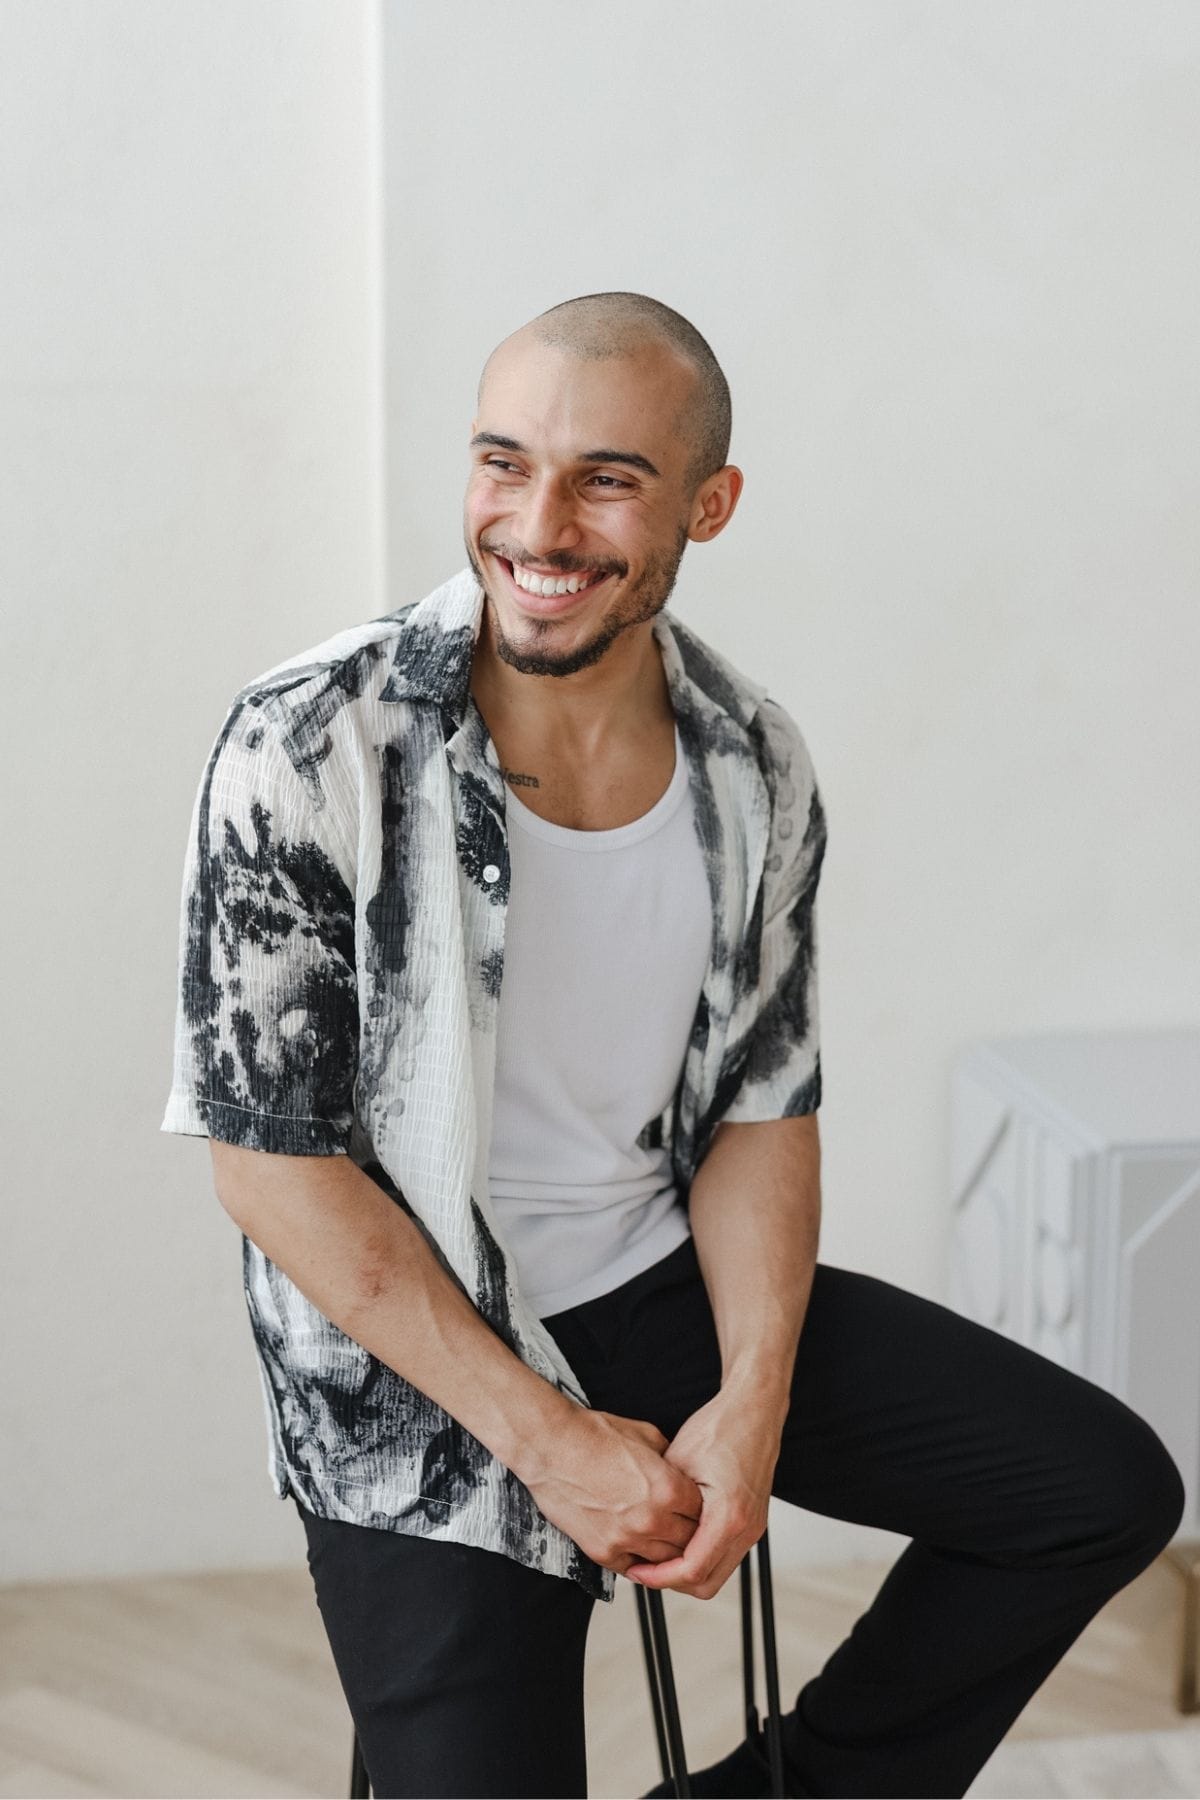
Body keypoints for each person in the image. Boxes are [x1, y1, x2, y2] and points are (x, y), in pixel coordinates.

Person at [161, 291, 1184, 1800]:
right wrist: (558, 1444)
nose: (538, 524)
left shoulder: (750, 757)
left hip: (654, 1289)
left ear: (710, 501)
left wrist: (752, 1402)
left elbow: (764, 1106)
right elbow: (272, 1171)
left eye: (606, 477)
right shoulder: (311, 741)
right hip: (419, 1376)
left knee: (1094, 1489)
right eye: (502, 463)